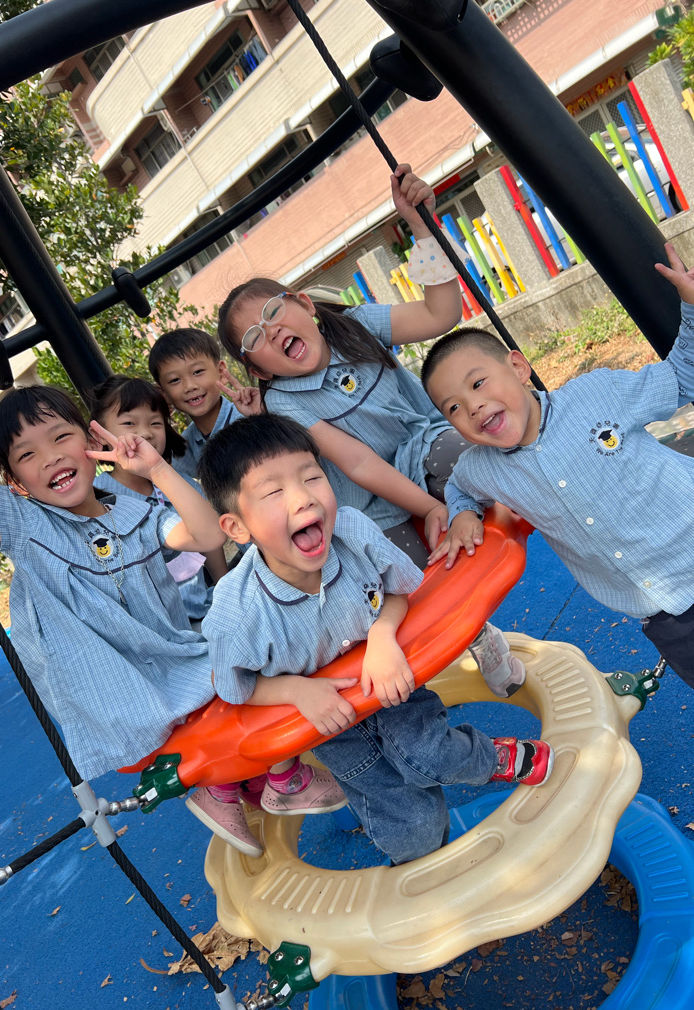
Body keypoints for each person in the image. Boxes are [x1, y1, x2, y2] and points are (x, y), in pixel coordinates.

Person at [216, 163, 524, 698]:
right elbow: (358, 463)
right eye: (254, 340)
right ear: (258, 368)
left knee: (466, 448)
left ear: (304, 304)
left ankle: (541, 492)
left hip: (425, 449)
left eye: (273, 312)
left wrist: (420, 227)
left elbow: (440, 314)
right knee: (410, 582)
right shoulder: (285, 400)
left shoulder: (355, 325)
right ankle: (480, 636)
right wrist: (428, 510)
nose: (271, 331)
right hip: (372, 504)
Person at [197, 413, 554, 865]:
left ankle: (491, 758)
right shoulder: (237, 612)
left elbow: (398, 592)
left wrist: (383, 634)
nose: (304, 498)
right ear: (237, 528)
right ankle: (423, 868)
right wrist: (297, 691)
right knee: (408, 823)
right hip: (331, 722)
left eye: (311, 477)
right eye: (274, 492)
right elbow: (234, 686)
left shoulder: (352, 532)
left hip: (388, 681)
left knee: (431, 754)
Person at [422, 241, 694, 690]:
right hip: (662, 613)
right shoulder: (482, 466)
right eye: (453, 407)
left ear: (518, 367)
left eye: (478, 383)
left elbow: (682, 378)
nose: (472, 406)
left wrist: (691, 307)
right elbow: (460, 487)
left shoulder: (597, 394)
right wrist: (463, 514)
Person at [0, 386, 224, 781]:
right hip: (121, 700)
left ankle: (234, 786)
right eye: (27, 455)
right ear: (15, 483)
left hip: (177, 666)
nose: (51, 457)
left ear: (91, 441)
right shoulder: (26, 528)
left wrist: (157, 470)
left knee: (257, 666)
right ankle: (223, 786)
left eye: (61, 436)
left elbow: (209, 535)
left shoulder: (137, 515)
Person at [90, 375, 228, 624]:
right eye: (129, 423)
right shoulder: (97, 497)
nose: (145, 433)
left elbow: (211, 543)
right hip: (155, 628)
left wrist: (224, 586)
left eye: (155, 423)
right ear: (100, 435)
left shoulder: (179, 484)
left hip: (204, 612)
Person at [148, 327, 261, 480]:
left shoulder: (252, 416)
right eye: (175, 380)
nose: (189, 386)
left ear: (221, 372)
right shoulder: (185, 447)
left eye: (197, 372)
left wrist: (264, 416)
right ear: (164, 394)